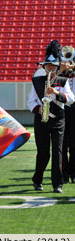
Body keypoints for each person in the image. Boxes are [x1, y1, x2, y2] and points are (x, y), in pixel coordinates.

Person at [28, 40, 75, 193]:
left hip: (59, 120)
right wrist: (39, 109)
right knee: (43, 152)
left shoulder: (62, 81)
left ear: (57, 67)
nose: (50, 68)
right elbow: (31, 102)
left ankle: (58, 184)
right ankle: (37, 180)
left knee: (58, 152)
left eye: (53, 66)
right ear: (44, 66)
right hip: (42, 120)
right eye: (48, 65)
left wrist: (56, 93)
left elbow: (71, 99)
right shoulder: (37, 81)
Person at [59, 46, 75, 184]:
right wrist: (63, 70)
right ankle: (64, 174)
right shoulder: (60, 74)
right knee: (62, 145)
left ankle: (74, 173)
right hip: (63, 109)